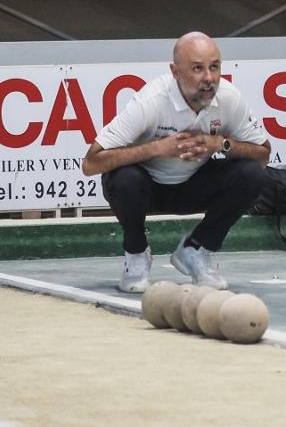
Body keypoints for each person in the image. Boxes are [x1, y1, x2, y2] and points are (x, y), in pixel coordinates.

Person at [82, 31, 270, 292]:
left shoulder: (228, 98)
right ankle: (136, 254)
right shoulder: (151, 101)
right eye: (197, 69)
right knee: (122, 179)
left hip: (194, 185)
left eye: (214, 67)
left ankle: (195, 249)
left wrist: (221, 145)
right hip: (147, 189)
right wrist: (158, 148)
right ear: (175, 71)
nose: (208, 78)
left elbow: (263, 154)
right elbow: (91, 163)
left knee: (252, 175)